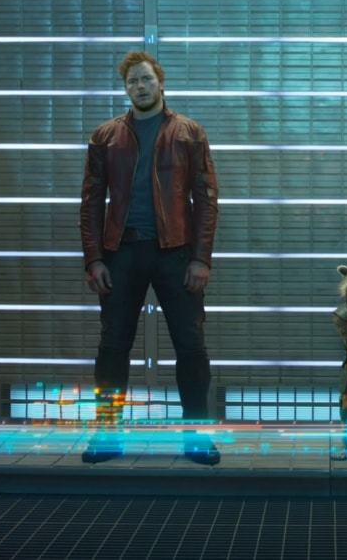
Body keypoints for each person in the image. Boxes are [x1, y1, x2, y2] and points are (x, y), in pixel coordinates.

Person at [79, 50, 221, 465]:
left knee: (191, 347)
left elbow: (206, 200)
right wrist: (94, 259)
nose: (139, 87)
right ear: (125, 89)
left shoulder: (189, 133)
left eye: (145, 79)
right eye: (132, 81)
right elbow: (91, 202)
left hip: (176, 253)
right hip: (121, 253)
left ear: (160, 81)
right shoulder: (105, 136)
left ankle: (197, 438)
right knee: (112, 347)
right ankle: (107, 436)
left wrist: (201, 258)